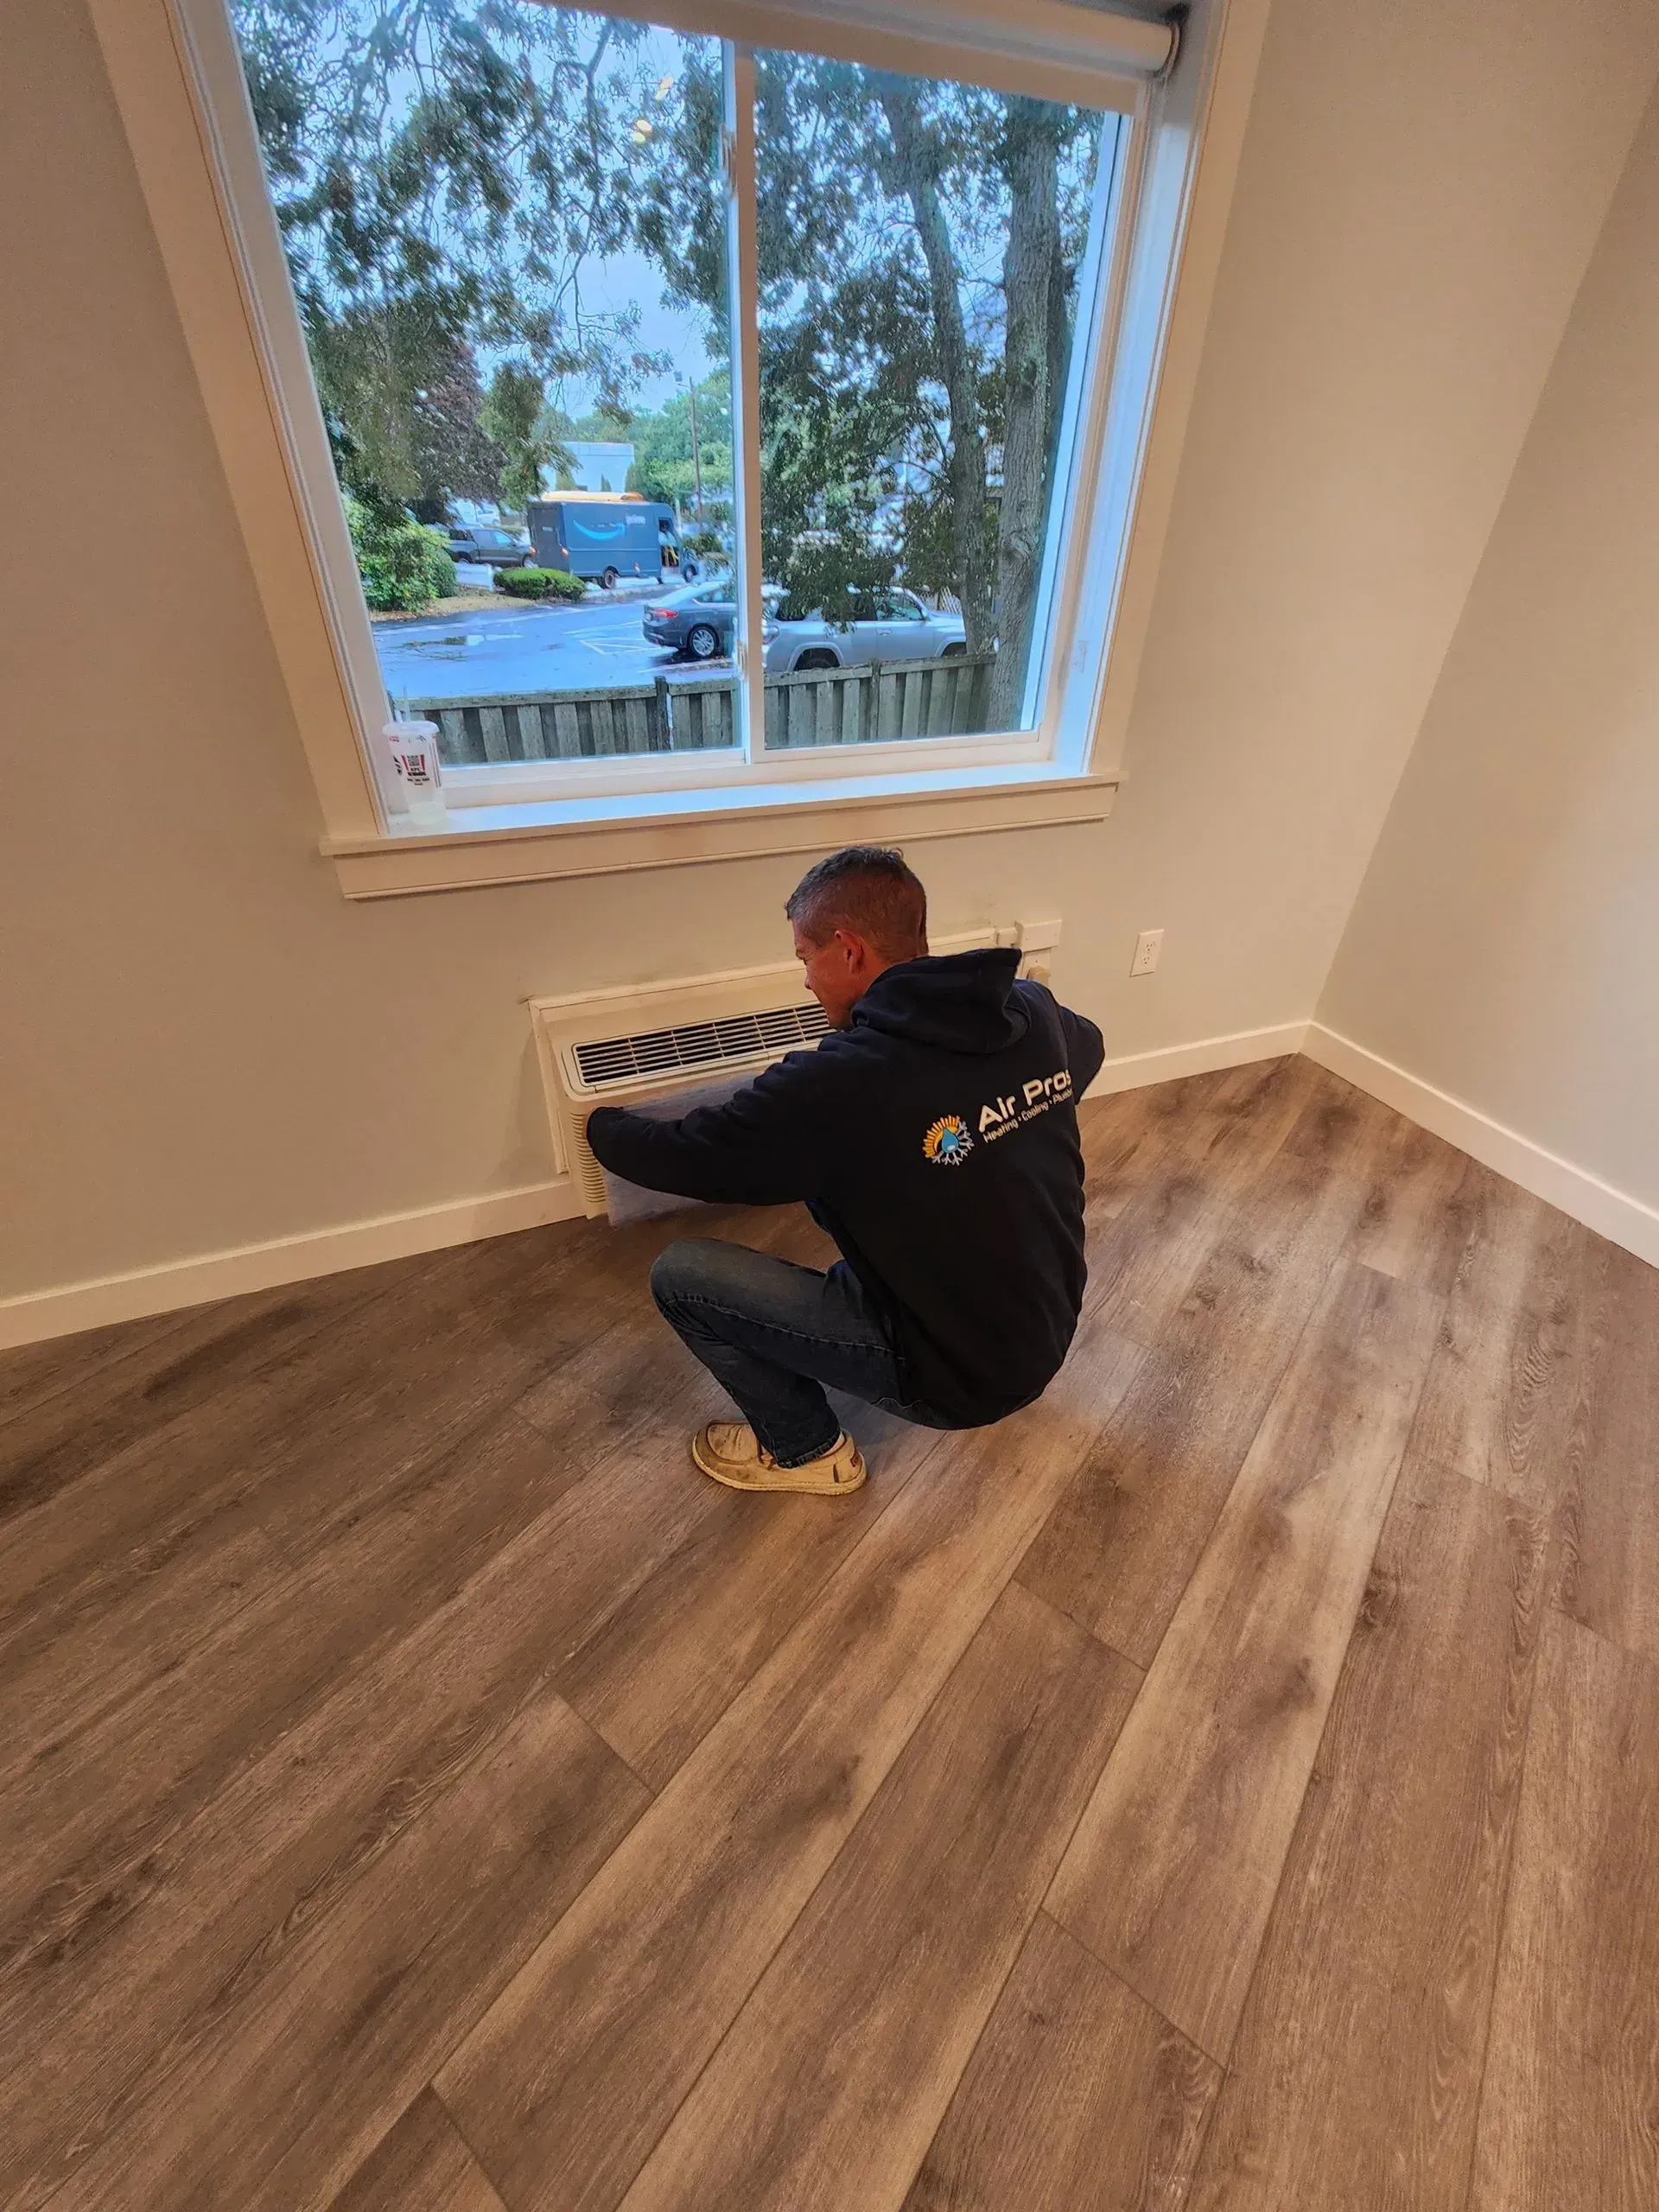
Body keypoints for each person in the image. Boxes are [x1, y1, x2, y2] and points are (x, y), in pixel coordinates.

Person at [585, 846, 1105, 1497]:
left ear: (848, 949)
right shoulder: (1029, 1011)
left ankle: (805, 1450)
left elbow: (686, 1154)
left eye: (806, 959)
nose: (806, 980)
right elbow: (1090, 1050)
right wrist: (999, 1123)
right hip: (1048, 1323)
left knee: (683, 1278)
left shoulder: (844, 1083)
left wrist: (598, 1128)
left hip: (959, 1379)